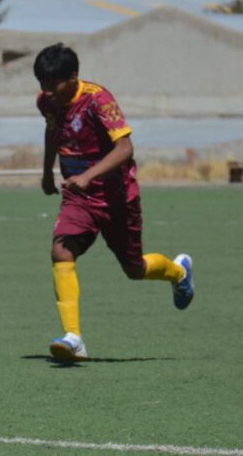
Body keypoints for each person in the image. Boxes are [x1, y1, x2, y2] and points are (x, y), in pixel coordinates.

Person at [34, 43, 194, 363]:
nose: (47, 91)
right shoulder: (47, 103)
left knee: (134, 269)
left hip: (117, 197)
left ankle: (178, 273)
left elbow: (124, 148)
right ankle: (74, 338)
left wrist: (89, 175)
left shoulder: (97, 99)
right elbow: (52, 133)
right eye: (42, 84)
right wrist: (47, 172)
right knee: (61, 250)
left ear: (73, 77)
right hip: (78, 197)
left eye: (54, 85)